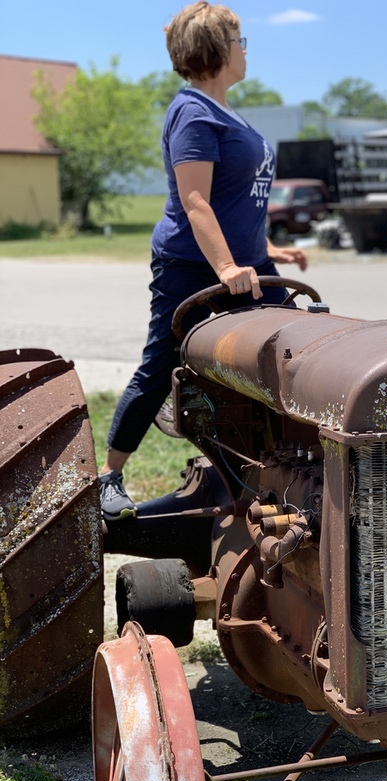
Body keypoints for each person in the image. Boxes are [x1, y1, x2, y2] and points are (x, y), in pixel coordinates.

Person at [99, 1, 307, 521]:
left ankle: (284, 465)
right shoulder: (193, 112)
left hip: (245, 265)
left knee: (294, 348)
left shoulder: (227, 111)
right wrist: (225, 270)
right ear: (218, 49)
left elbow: (240, 199)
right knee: (160, 366)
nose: (246, 50)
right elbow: (196, 203)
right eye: (241, 41)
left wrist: (268, 253)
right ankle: (111, 479)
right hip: (192, 266)